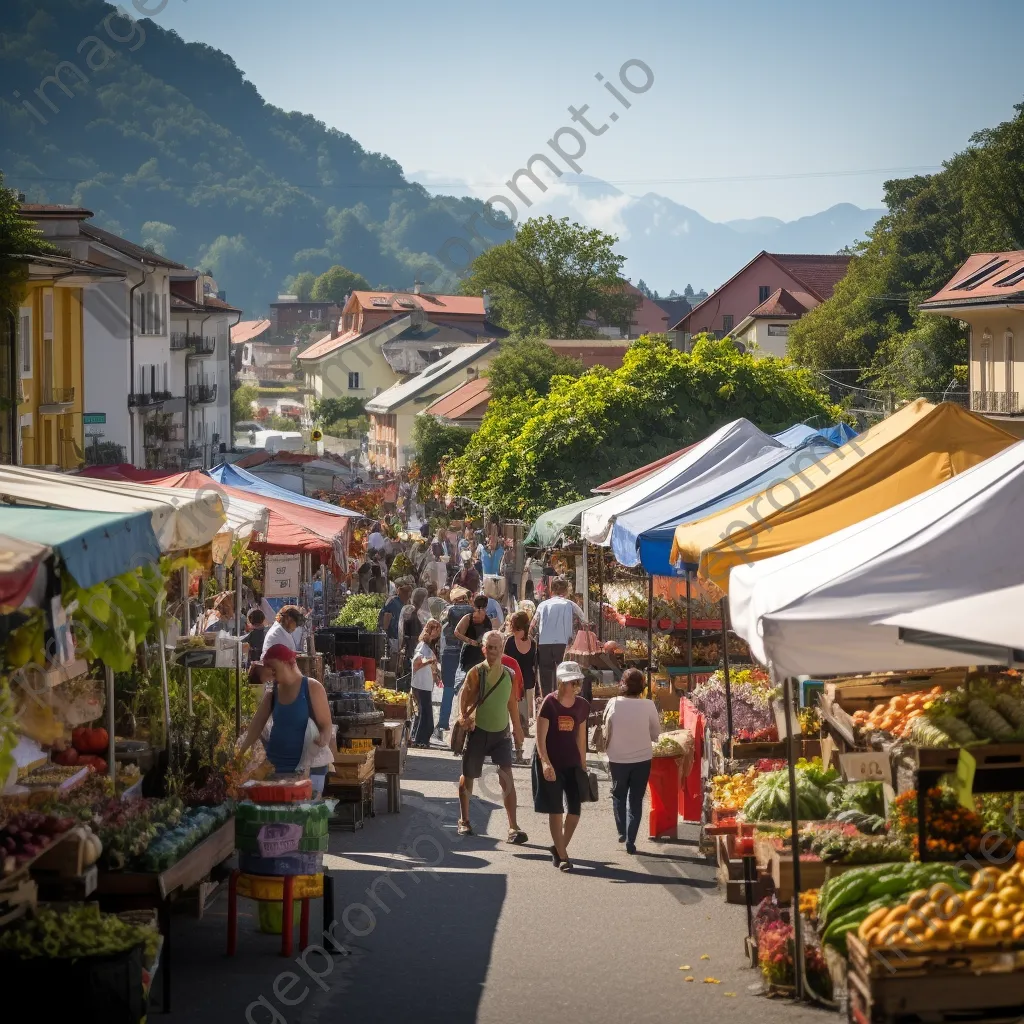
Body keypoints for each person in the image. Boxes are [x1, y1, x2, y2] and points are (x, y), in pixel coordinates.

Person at [456, 630, 527, 843]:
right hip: (478, 731)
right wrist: (462, 717)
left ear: (502, 649)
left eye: (497, 647)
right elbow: (464, 696)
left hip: (501, 733)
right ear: (483, 649)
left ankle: (513, 828)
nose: (493, 651)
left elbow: (512, 703)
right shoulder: (476, 672)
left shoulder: (509, 674)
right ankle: (464, 820)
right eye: (490, 647)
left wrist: (517, 728)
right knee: (468, 776)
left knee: (507, 778)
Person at [238, 644, 333, 795]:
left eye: (272, 665)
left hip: (308, 770)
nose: (269, 670)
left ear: (289, 663)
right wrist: (241, 751)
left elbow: (327, 725)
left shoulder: (312, 688)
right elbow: (256, 725)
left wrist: (323, 739)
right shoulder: (273, 693)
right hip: (276, 769)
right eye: (267, 666)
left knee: (303, 815)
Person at [534, 661, 590, 871]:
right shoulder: (550, 703)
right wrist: (545, 763)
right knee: (556, 810)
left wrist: (583, 765)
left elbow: (581, 737)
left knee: (574, 811)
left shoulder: (582, 705)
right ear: (560, 682)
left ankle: (558, 848)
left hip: (572, 763)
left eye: (575, 681)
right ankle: (564, 857)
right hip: (553, 763)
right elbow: (541, 737)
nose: (572, 684)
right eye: (568, 681)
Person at [603, 667, 662, 854]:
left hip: (617, 757)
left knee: (618, 794)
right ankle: (631, 839)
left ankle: (621, 830)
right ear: (642, 687)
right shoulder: (648, 705)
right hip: (642, 758)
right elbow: (656, 733)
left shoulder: (613, 703)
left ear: (623, 684)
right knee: (636, 800)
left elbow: (606, 727)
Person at [529, 578, 588, 696]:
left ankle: (547, 699)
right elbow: (585, 622)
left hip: (544, 643)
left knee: (546, 675)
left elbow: (532, 624)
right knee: (564, 674)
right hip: (563, 643)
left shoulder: (543, 604)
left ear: (551, 590)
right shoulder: (570, 604)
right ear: (566, 590)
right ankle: (563, 698)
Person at [435, 586, 473, 741]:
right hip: (467, 651)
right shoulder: (472, 610)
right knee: (468, 692)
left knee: (448, 690)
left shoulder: (447, 611)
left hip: (449, 652)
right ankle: (466, 722)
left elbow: (441, 629)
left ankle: (443, 723)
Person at [504, 610, 539, 736]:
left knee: (508, 706)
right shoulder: (533, 642)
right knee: (523, 706)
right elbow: (535, 664)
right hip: (527, 680)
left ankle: (508, 729)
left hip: (511, 679)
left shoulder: (509, 641)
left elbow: (503, 661)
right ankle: (524, 730)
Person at [411, 619, 441, 747]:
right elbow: (417, 662)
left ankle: (421, 739)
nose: (438, 634)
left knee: (425, 714)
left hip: (425, 684)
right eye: (437, 630)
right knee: (426, 715)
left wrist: (436, 673)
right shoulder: (423, 645)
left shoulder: (428, 646)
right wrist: (429, 661)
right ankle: (420, 740)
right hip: (421, 684)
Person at [398, 588, 428, 684]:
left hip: (414, 645)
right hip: (413, 644)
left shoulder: (415, 612)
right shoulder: (412, 611)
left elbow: (401, 630)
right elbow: (402, 629)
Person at [379, 583, 411, 661]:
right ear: (402, 593)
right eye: (407, 595)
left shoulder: (402, 603)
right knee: (393, 657)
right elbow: (387, 615)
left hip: (397, 636)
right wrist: (385, 634)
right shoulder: (394, 601)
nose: (408, 597)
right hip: (392, 636)